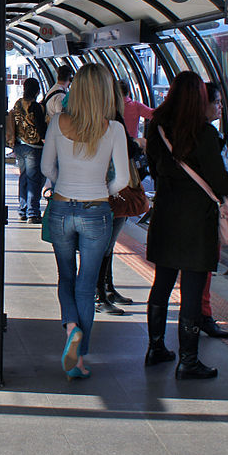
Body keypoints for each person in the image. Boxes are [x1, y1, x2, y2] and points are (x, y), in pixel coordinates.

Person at [143, 71, 228, 379]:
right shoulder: (204, 132)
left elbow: (154, 168)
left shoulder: (156, 127)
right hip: (197, 221)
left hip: (166, 214)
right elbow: (217, 177)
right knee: (192, 292)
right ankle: (189, 359)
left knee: (162, 283)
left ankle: (156, 347)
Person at [40, 63, 128, 380]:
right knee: (86, 285)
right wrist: (102, 190)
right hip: (97, 211)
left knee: (66, 277)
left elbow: (46, 167)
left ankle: (71, 329)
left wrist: (63, 182)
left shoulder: (57, 123)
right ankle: (79, 359)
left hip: (62, 208)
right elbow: (124, 179)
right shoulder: (114, 129)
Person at [94, 78, 142, 316]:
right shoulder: (113, 117)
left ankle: (106, 289)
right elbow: (128, 149)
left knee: (104, 242)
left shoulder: (88, 116)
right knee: (106, 243)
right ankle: (101, 293)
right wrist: (136, 144)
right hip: (113, 188)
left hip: (95, 187)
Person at [193, 82, 228, 340]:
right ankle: (202, 315)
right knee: (204, 268)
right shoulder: (208, 134)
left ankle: (198, 314)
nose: (220, 107)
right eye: (217, 102)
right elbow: (220, 176)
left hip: (181, 216)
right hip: (206, 212)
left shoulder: (179, 132)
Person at [6, 78, 48, 224]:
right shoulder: (35, 106)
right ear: (37, 91)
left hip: (19, 146)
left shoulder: (18, 103)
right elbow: (41, 128)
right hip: (33, 147)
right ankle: (33, 213)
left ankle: (22, 210)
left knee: (24, 177)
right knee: (34, 179)